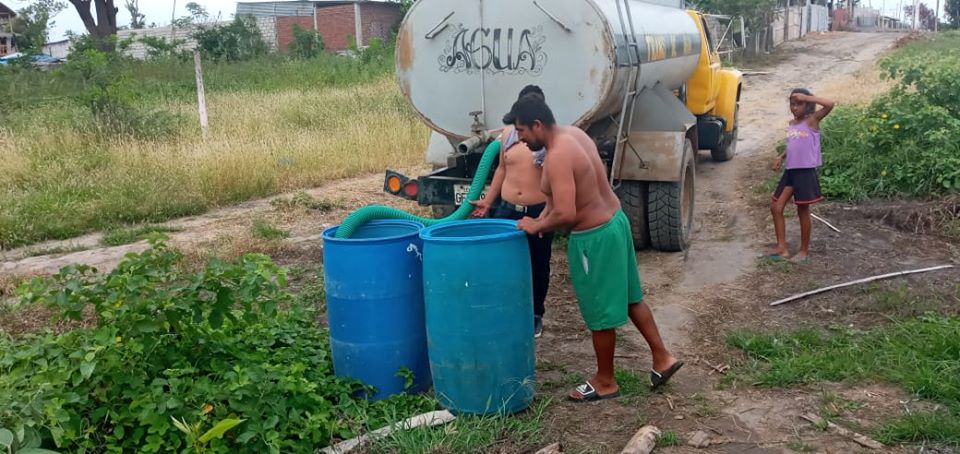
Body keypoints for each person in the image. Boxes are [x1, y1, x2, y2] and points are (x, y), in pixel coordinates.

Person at [505, 94, 683, 402]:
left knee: (599, 312)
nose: (519, 138)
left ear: (537, 125)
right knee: (631, 298)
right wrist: (543, 216)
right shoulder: (573, 135)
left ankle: (605, 381)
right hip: (615, 223)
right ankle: (662, 358)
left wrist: (536, 225)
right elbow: (559, 197)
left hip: (594, 238)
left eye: (521, 131)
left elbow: (566, 212)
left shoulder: (557, 156)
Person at [471, 85, 552, 338]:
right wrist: (488, 201)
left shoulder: (546, 141)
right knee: (499, 259)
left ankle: (535, 314)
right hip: (507, 209)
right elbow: (502, 170)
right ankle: (502, 307)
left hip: (537, 210)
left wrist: (548, 214)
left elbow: (556, 180)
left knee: (538, 264)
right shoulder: (508, 135)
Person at [767, 89, 834, 263]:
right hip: (791, 171)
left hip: (805, 172)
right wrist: (781, 157)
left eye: (799, 104)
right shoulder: (792, 123)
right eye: (792, 104)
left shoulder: (812, 120)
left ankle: (804, 252)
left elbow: (830, 104)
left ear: (808, 105)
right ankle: (782, 248)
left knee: (802, 210)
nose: (795, 107)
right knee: (776, 207)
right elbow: (793, 144)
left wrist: (807, 97)